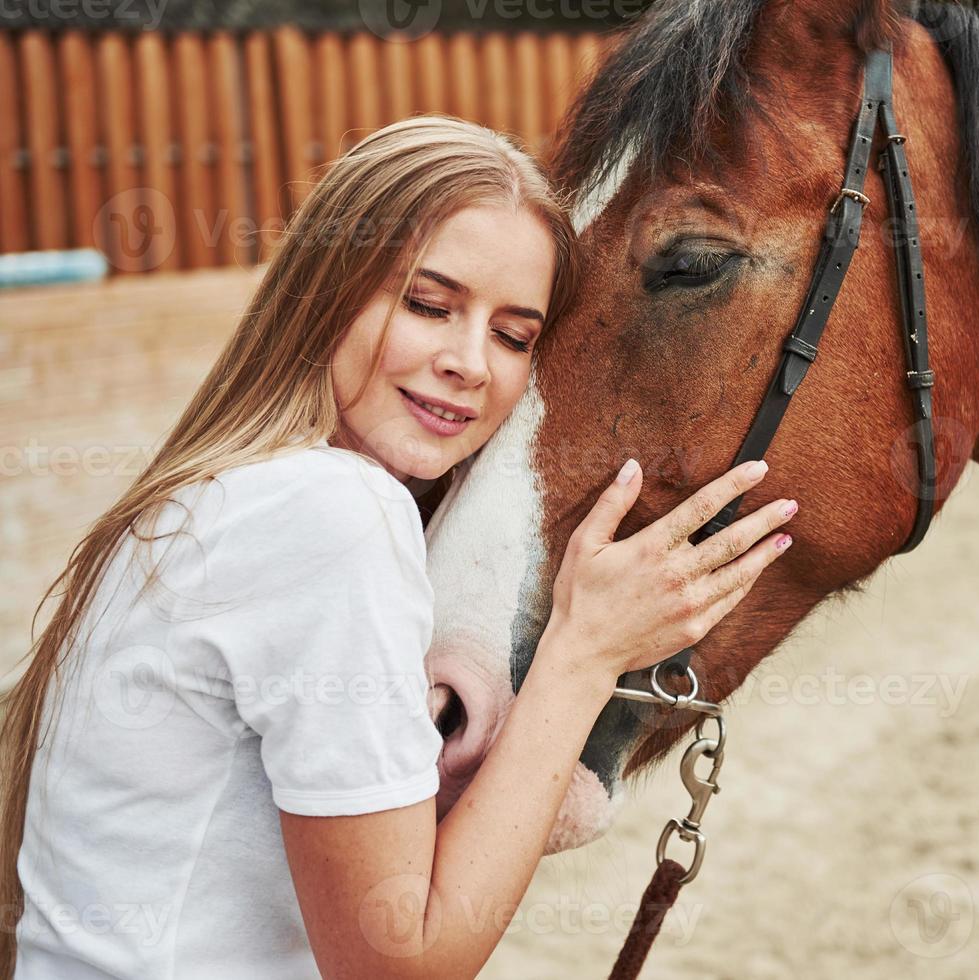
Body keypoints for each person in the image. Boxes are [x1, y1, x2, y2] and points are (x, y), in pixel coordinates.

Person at [0, 116, 796, 978]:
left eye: (513, 335)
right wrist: (584, 653)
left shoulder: (211, 494)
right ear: (325, 291)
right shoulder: (335, 514)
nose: (470, 362)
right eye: (428, 304)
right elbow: (400, 964)